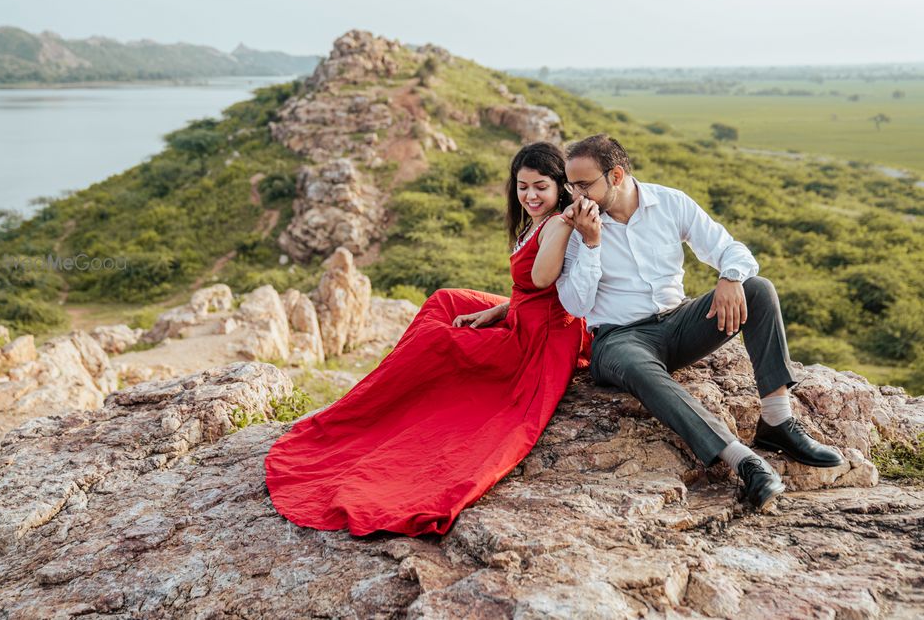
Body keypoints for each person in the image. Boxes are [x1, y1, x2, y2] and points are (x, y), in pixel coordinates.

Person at [265, 142, 590, 536]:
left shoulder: (557, 224)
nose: (530, 196)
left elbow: (541, 282)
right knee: (446, 301)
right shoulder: (538, 222)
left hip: (537, 338)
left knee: (440, 341)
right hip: (520, 312)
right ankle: (395, 389)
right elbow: (531, 291)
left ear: (561, 187)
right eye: (522, 187)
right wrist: (497, 310)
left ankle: (394, 396)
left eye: (540, 187)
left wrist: (569, 220)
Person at [556, 133, 843, 511]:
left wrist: (730, 277)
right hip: (618, 340)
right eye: (569, 184)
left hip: (677, 322)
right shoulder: (575, 226)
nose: (575, 194)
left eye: (582, 184)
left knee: (757, 289)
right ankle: (744, 460)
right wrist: (591, 243)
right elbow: (575, 304)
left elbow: (730, 248)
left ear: (616, 175)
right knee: (636, 365)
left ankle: (777, 423)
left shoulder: (669, 202)